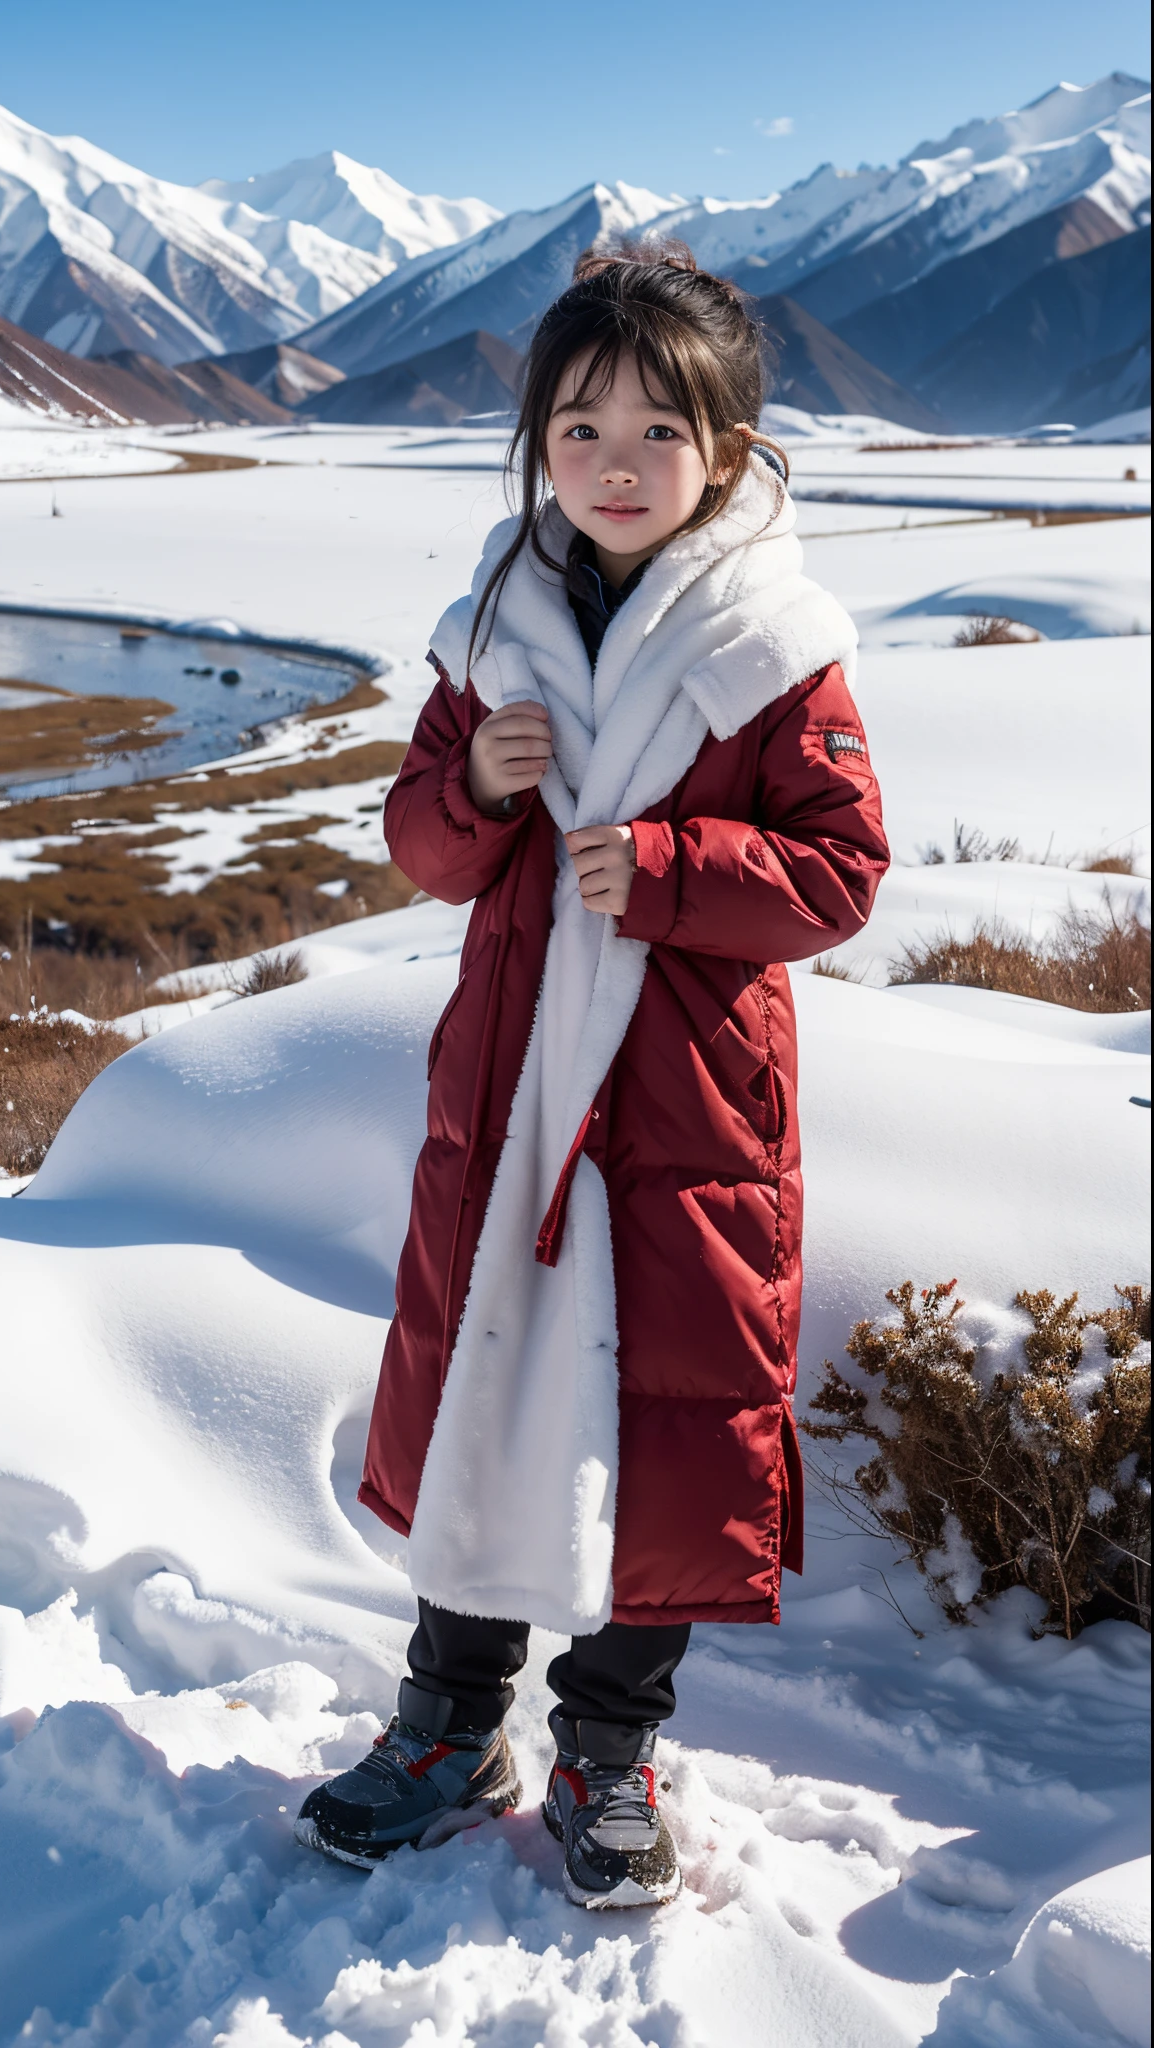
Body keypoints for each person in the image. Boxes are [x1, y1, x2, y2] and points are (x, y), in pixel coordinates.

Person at [296, 245, 889, 1908]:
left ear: (731, 441)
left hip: (680, 1108)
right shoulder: (492, 621)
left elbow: (841, 870)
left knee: (661, 1419)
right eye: (577, 428)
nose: (615, 466)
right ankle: (449, 1725)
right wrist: (475, 790)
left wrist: (680, 863)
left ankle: (613, 1748)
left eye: (656, 430)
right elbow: (422, 843)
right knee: (489, 1385)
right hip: (513, 1094)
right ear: (535, 445)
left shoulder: (776, 641)